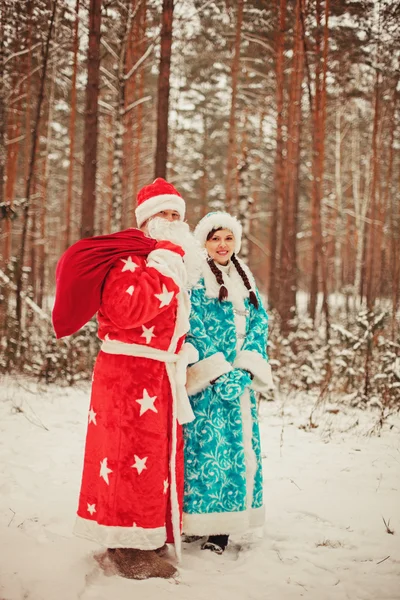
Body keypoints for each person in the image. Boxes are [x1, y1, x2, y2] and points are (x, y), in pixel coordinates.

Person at [52, 178, 201, 579]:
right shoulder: (133, 260)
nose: (171, 222)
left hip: (159, 375)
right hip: (129, 376)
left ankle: (148, 536)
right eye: (163, 215)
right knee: (125, 458)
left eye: (177, 215)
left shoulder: (165, 259)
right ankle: (126, 547)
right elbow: (128, 309)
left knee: (152, 461)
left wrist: (184, 352)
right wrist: (166, 269)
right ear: (147, 220)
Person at [182, 211, 273, 555]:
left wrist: (246, 368)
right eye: (215, 239)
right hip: (209, 382)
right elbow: (193, 325)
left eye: (228, 239)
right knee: (206, 452)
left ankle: (223, 529)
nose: (222, 245)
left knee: (239, 453)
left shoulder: (244, 277)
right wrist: (218, 371)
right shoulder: (195, 278)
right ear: (205, 243)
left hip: (240, 382)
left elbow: (259, 323)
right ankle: (198, 521)